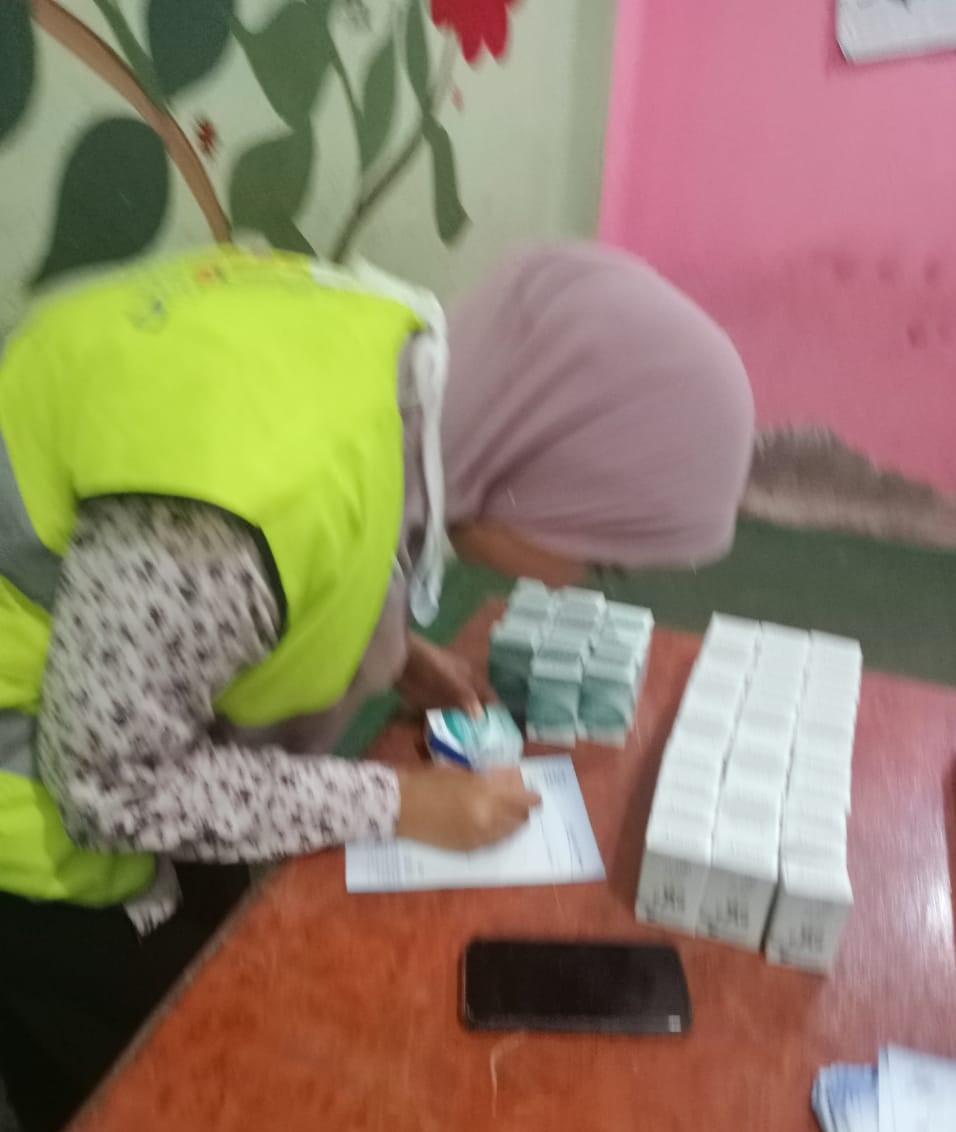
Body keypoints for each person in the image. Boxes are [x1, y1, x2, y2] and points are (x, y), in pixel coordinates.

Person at [0, 242, 752, 1130]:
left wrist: (391, 649)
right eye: (599, 557)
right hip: (38, 829)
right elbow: (109, 788)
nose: (577, 582)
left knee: (226, 951)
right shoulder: (252, 507)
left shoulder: (392, 349)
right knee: (150, 1077)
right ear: (534, 464)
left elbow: (290, 561)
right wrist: (396, 804)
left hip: (108, 704)